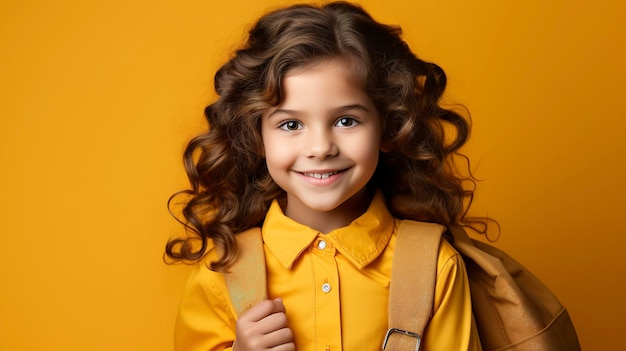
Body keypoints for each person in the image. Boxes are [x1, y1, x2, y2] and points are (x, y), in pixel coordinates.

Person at [166, 2, 485, 350]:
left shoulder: (434, 265)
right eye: (291, 124)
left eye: (346, 120)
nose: (320, 148)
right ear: (255, 137)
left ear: (390, 129)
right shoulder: (222, 272)